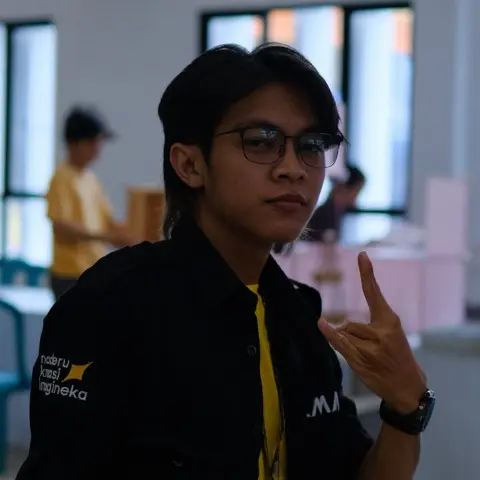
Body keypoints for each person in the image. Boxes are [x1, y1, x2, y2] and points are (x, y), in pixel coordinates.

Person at [16, 44, 434, 480]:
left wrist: (405, 407)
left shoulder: (299, 319)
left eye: (312, 146)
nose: (294, 168)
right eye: (261, 142)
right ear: (190, 165)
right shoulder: (110, 308)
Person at [46, 107, 136, 300]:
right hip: (69, 274)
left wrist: (134, 236)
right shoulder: (61, 178)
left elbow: (109, 223)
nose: (97, 148)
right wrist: (106, 237)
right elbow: (61, 227)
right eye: (93, 142)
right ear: (74, 143)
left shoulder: (90, 178)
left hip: (91, 270)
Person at [305, 164, 365, 243]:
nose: (356, 197)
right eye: (357, 191)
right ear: (343, 187)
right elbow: (327, 245)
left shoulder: (337, 210)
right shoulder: (325, 213)